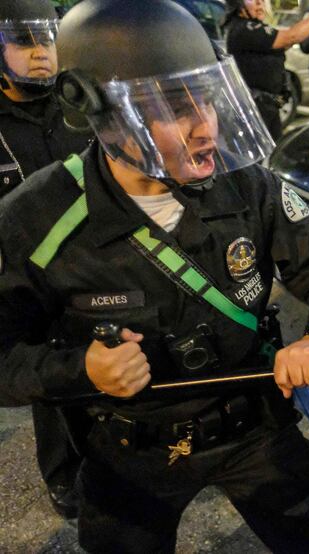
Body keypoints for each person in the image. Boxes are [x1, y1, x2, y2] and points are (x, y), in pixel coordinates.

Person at [0, 0, 309, 551]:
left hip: (254, 426)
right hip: (130, 446)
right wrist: (80, 370)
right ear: (99, 110)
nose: (207, 126)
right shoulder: (37, 216)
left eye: (210, 98)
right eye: (175, 108)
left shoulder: (246, 184)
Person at [0, 0, 94, 519]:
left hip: (99, 260)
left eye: (48, 40)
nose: (42, 55)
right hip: (28, 278)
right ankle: (63, 474)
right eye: (24, 42)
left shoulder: (79, 104)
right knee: (51, 378)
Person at [223, 0, 309, 141]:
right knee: (262, 157)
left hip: (266, 106)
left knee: (273, 152)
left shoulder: (249, 28)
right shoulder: (244, 29)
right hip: (256, 109)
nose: (260, 3)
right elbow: (289, 37)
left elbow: (281, 44)